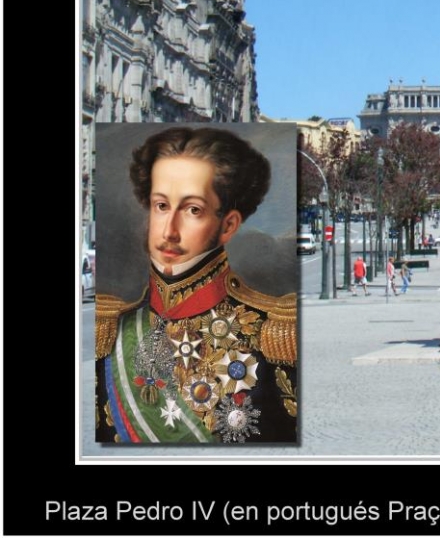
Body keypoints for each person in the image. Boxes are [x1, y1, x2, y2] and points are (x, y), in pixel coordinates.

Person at [95, 126, 297, 444]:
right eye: (161, 206)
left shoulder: (273, 332)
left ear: (228, 225)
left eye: (193, 210)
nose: (169, 231)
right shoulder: (112, 328)